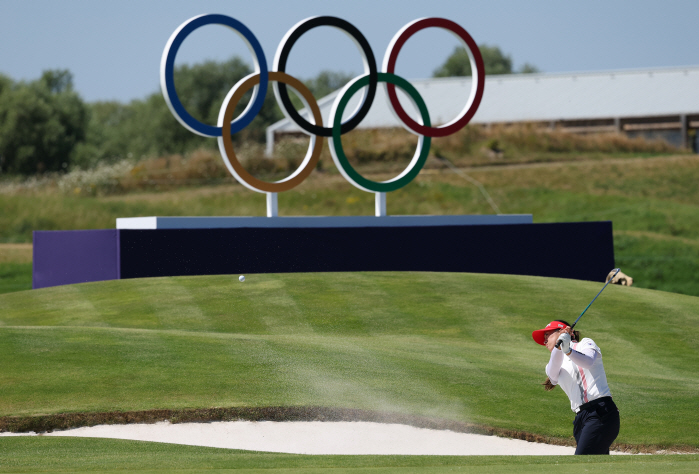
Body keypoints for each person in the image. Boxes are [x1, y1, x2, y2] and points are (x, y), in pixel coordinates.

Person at [532, 320, 620, 455]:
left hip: (601, 412)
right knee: (595, 467)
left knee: (581, 463)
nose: (545, 341)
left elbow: (588, 362)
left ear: (562, 331)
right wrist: (561, 347)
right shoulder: (552, 364)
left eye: (547, 335)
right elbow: (552, 374)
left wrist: (568, 349)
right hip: (581, 419)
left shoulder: (585, 343)